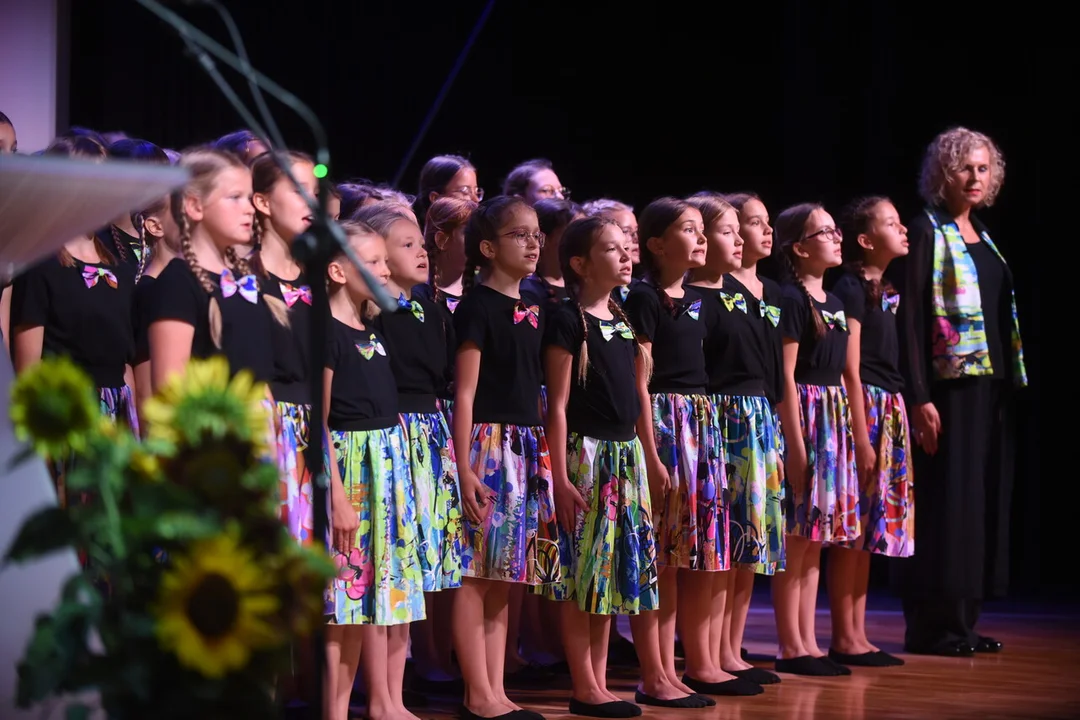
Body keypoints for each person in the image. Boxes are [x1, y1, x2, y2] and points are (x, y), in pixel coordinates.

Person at [894, 127, 1026, 657]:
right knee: (946, 504)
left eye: (983, 168)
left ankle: (965, 620)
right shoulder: (928, 231)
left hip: (986, 387)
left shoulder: (983, 234)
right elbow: (910, 318)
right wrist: (919, 396)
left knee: (977, 503)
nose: (975, 177)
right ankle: (933, 626)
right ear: (943, 174)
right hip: (944, 391)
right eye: (964, 168)